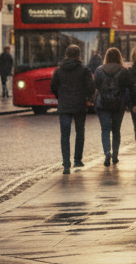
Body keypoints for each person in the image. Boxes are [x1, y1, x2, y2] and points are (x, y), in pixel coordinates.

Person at [49, 43, 94, 174]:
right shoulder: (84, 70)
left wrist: (60, 96)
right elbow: (90, 87)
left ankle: (66, 163)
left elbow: (53, 86)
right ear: (79, 55)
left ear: (66, 55)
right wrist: (85, 96)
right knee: (80, 132)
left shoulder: (58, 70)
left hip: (64, 105)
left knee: (65, 134)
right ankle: (78, 160)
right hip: (79, 104)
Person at [93, 47, 128, 167]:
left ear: (106, 57)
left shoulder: (99, 70)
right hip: (119, 104)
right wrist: (127, 104)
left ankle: (107, 152)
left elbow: (96, 86)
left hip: (102, 104)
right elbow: (126, 89)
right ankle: (116, 155)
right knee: (116, 130)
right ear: (119, 57)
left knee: (105, 129)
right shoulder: (124, 70)